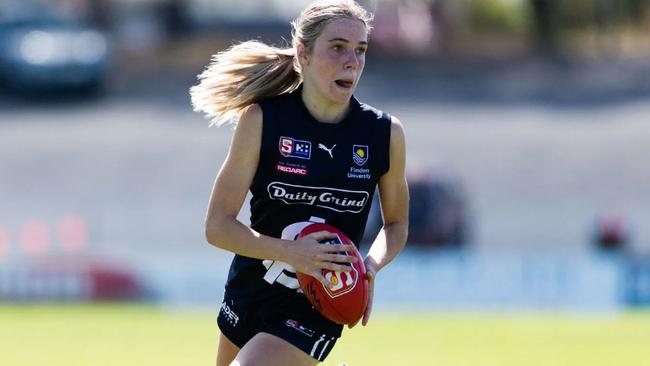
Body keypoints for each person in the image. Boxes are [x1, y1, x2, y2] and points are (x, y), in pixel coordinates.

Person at [190, 1, 408, 365]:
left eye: (360, 50)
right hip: (250, 290)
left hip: (320, 304)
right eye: (337, 47)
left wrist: (369, 267)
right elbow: (217, 227)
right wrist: (294, 254)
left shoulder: (384, 134)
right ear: (303, 54)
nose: (352, 62)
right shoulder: (262, 120)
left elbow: (397, 224)